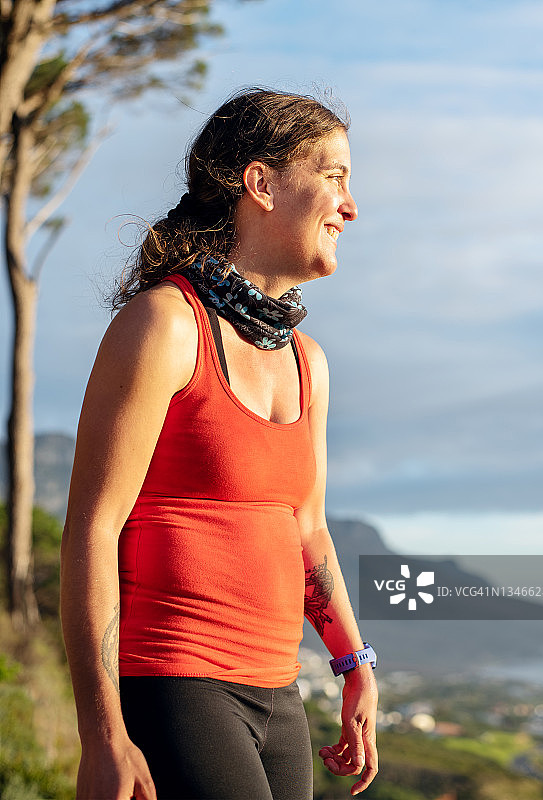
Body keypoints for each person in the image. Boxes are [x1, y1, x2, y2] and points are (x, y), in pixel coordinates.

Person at [60, 87, 378, 800]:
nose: (351, 207)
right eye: (334, 178)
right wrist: (103, 734)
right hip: (174, 680)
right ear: (261, 184)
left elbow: (308, 529)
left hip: (279, 694)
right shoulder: (164, 326)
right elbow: (92, 528)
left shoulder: (309, 362)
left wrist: (354, 663)